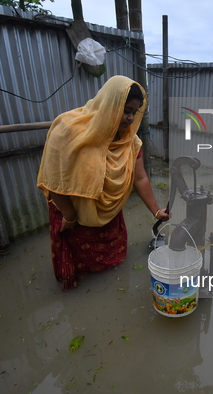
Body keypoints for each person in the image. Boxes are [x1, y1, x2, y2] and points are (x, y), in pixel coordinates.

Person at [37, 75, 170, 290]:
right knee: (79, 271)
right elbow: (55, 181)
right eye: (125, 110)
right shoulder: (69, 131)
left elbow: (140, 177)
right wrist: (69, 217)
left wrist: (156, 212)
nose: (129, 118)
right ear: (109, 104)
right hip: (72, 216)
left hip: (108, 214)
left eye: (133, 112)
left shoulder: (130, 141)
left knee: (112, 265)